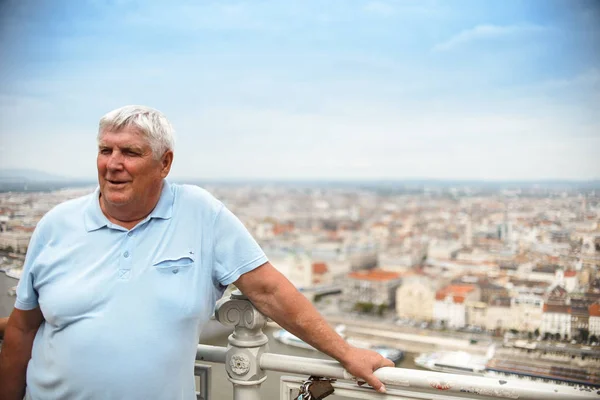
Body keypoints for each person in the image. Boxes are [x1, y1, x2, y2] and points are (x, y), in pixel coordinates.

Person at [0, 105, 394, 400]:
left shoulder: (201, 215)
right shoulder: (56, 225)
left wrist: (345, 352)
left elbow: (268, 290)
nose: (113, 165)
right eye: (106, 150)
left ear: (165, 163)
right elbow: (22, 328)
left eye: (130, 153)